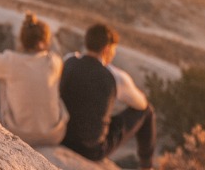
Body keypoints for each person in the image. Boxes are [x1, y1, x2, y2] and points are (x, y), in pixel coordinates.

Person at [59, 22, 156, 168]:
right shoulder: (115, 76)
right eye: (114, 49)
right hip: (91, 150)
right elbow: (141, 104)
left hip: (62, 137)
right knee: (147, 111)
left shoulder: (69, 60)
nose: (114, 53)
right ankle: (147, 165)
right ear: (107, 49)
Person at [0, 13, 69, 147]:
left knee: (2, 78)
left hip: (18, 134)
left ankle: (10, 121)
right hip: (54, 135)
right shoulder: (54, 61)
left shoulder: (9, 60)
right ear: (46, 41)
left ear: (22, 39)